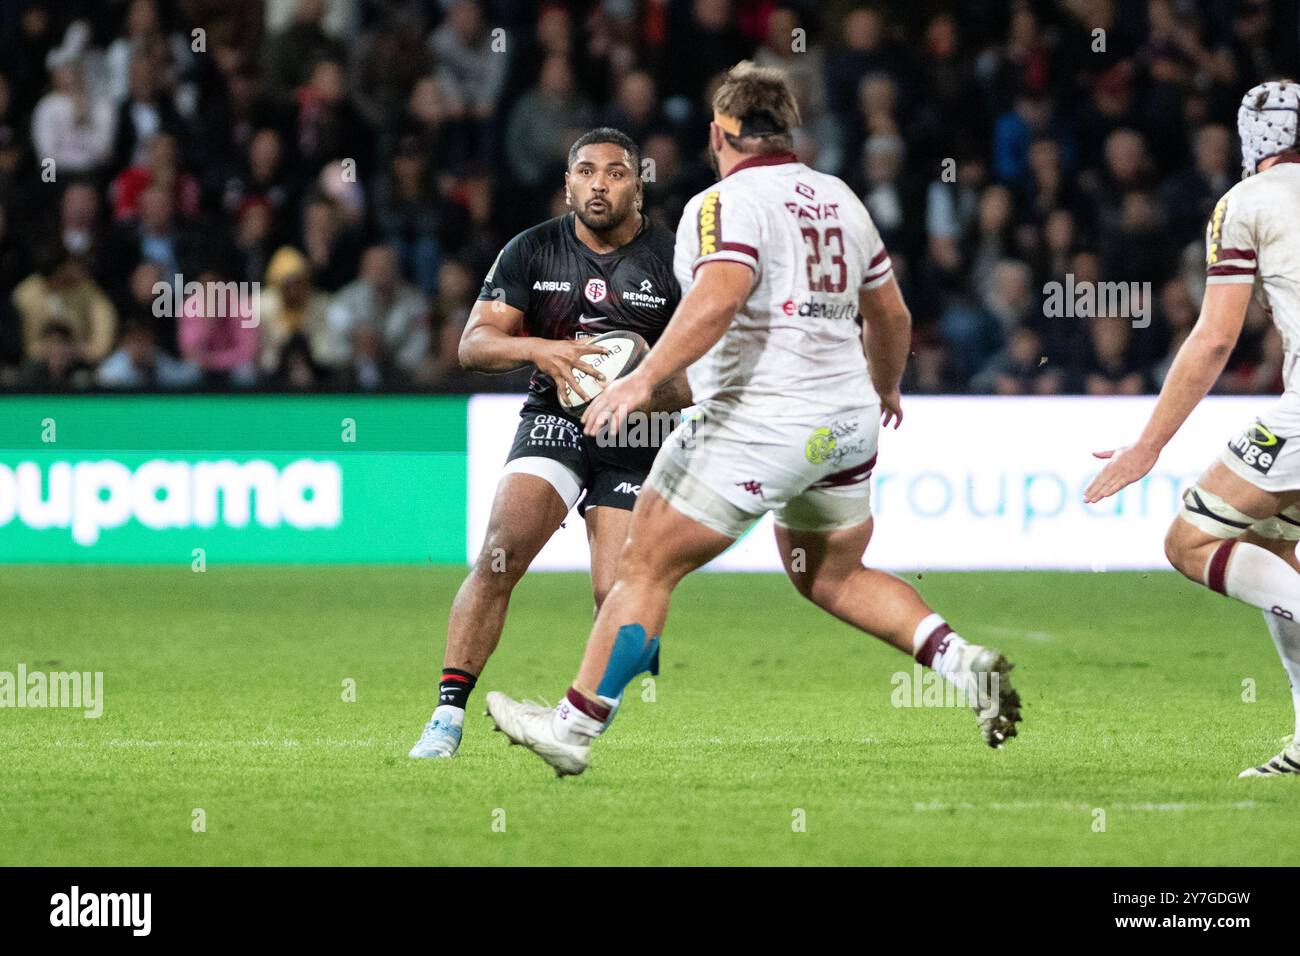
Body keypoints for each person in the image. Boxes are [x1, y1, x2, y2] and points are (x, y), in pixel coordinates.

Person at [484, 63, 1022, 777]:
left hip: (764, 423)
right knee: (829, 575)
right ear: (789, 131)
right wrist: (886, 390)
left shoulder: (721, 204)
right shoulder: (841, 200)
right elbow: (891, 314)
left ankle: (573, 728)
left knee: (644, 564)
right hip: (847, 423)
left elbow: (718, 298)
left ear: (719, 133)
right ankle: (961, 660)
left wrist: (642, 381)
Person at [408, 127, 689, 759]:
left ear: (638, 183)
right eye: (585, 172)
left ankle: (581, 716)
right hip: (553, 419)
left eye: (615, 173)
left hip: (638, 434)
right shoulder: (531, 251)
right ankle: (447, 716)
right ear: (567, 183)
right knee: (500, 553)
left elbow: (708, 375)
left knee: (616, 592)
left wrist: (643, 385)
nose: (598, 184)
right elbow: (473, 345)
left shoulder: (674, 262)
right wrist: (540, 348)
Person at [1085, 80, 1300, 778]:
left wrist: (1148, 446)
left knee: (1191, 539)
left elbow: (1214, 338)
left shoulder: (1244, 204)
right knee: (1276, 542)